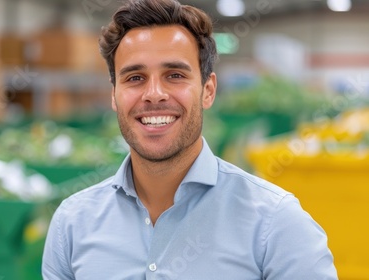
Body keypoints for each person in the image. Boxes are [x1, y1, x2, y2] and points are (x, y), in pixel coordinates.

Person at [42, 0, 338, 279]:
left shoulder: (276, 223)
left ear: (208, 90)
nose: (154, 93)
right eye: (135, 78)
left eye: (174, 75)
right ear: (113, 95)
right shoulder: (72, 223)